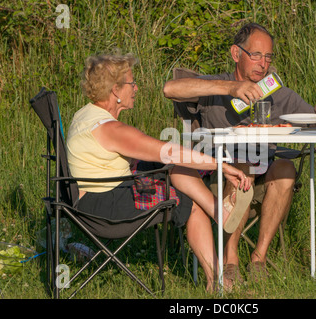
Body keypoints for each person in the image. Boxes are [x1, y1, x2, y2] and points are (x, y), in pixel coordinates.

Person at [163, 23, 316, 285]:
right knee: (244, 162)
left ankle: (259, 258)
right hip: (218, 181)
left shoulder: (278, 94)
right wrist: (229, 89)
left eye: (268, 57)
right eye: (255, 55)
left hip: (262, 180)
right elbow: (170, 89)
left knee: (286, 168)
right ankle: (230, 259)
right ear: (236, 53)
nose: (263, 64)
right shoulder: (214, 87)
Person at [66, 52, 253, 292]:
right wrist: (222, 166)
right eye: (132, 83)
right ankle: (216, 281)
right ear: (115, 90)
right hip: (104, 209)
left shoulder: (85, 115)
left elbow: (166, 157)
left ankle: (219, 211)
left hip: (92, 198)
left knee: (168, 165)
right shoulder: (111, 129)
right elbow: (169, 151)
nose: (136, 88)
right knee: (188, 199)